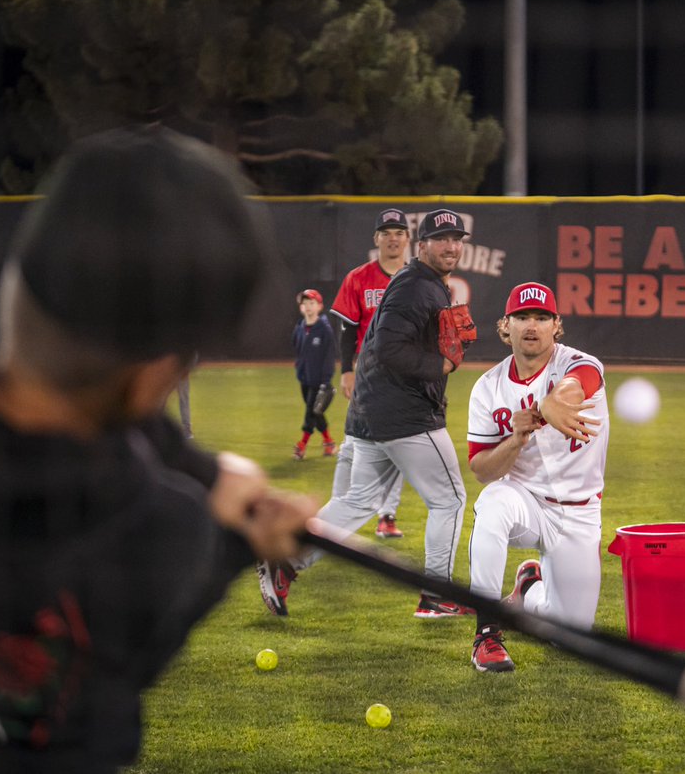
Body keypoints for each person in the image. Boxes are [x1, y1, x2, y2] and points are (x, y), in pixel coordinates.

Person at [0, 127, 318, 772]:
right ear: (161, 374)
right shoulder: (162, 530)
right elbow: (120, 670)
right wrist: (239, 543)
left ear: (15, 277)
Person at [258, 208, 473, 619]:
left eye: (457, 239)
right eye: (442, 238)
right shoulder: (416, 288)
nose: (451, 246)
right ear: (423, 244)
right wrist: (440, 366)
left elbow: (379, 344)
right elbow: (391, 350)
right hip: (403, 414)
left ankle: (286, 561)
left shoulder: (417, 283)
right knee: (450, 500)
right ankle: (436, 596)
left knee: (360, 500)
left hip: (372, 412)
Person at [464, 282, 609, 673]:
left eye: (542, 317)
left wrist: (551, 403)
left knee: (571, 634)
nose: (532, 325)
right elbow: (480, 470)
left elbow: (577, 385)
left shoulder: (580, 362)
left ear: (556, 325)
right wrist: (516, 439)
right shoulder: (488, 388)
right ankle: (488, 633)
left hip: (579, 513)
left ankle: (530, 587)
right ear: (505, 326)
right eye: (522, 317)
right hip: (525, 502)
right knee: (492, 503)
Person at [328, 209, 410, 538]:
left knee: (401, 445)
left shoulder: (417, 278)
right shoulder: (358, 277)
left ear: (407, 238)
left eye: (399, 231)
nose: (393, 237)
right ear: (376, 239)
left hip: (406, 375)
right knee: (352, 441)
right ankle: (337, 507)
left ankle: (387, 515)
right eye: (386, 231)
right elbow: (348, 329)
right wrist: (347, 370)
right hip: (367, 370)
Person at [292, 288, 337, 459]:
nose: (308, 307)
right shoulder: (300, 327)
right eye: (305, 304)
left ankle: (302, 445)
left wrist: (326, 382)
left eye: (312, 303)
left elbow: (329, 357)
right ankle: (329, 443)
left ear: (320, 306)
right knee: (316, 412)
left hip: (319, 380)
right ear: (301, 308)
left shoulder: (324, 330)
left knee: (311, 412)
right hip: (305, 378)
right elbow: (296, 345)